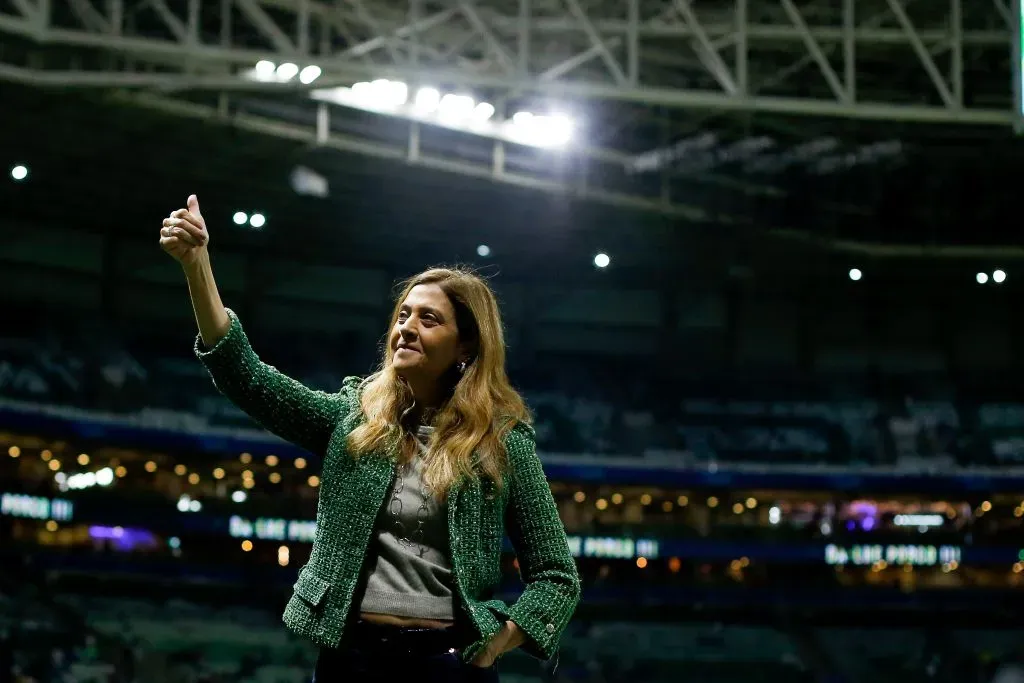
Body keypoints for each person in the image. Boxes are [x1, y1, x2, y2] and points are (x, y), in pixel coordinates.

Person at [159, 195, 581, 682]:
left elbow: (556, 575)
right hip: (352, 660)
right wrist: (197, 266)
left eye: (429, 319)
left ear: (466, 346)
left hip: (450, 666)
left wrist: (499, 642)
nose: (406, 328)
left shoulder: (502, 443)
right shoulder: (354, 416)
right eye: (403, 315)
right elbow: (247, 377)